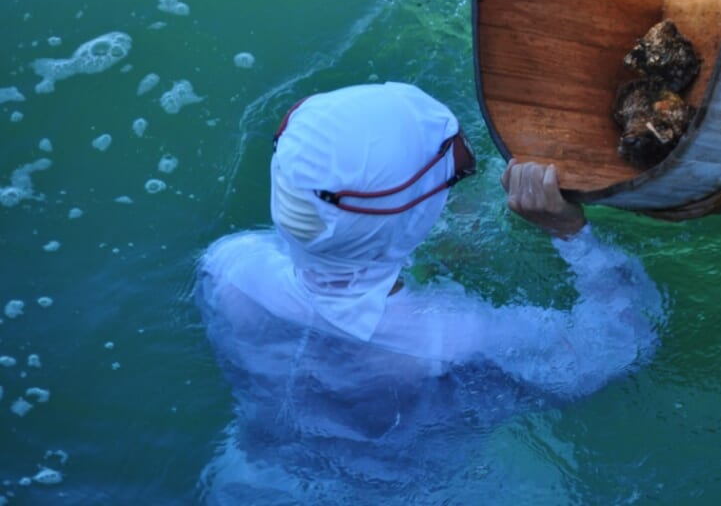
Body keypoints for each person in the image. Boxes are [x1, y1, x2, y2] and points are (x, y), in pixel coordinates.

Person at [195, 82, 664, 503]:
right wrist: (571, 233)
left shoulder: (230, 267)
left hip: (253, 482)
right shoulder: (455, 339)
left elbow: (342, 255)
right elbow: (622, 345)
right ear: (410, 222)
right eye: (457, 172)